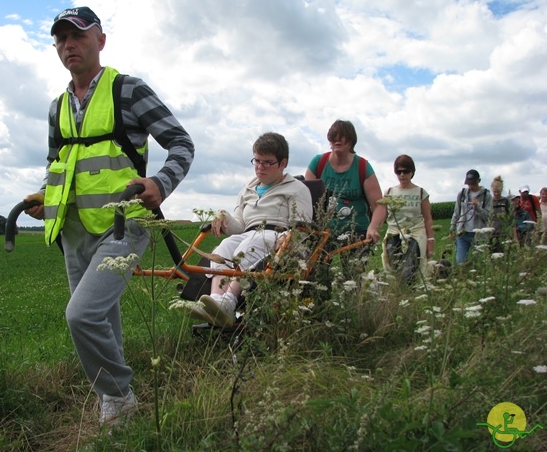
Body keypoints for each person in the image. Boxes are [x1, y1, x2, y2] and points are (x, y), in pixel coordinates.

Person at [22, 7, 194, 426]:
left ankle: (118, 394)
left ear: (100, 40)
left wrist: (160, 182)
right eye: (61, 39)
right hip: (74, 232)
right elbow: (56, 162)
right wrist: (46, 197)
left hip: (124, 225)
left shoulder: (128, 91)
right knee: (101, 317)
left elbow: (181, 143)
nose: (69, 45)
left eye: (78, 36)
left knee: (81, 315)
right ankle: (123, 415)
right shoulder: (56, 107)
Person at [186, 132, 313, 328]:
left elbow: (303, 226)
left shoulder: (297, 189)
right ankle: (215, 302)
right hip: (249, 232)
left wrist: (290, 237)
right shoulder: (247, 190)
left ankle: (229, 300)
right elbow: (240, 226)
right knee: (224, 247)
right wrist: (224, 217)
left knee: (250, 244)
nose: (260, 167)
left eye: (267, 162)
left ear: (283, 163)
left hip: (280, 235)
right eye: (257, 161)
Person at [304, 119, 386, 278]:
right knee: (317, 279)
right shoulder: (318, 163)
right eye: (333, 136)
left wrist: (373, 228)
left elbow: (379, 205)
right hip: (322, 233)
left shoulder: (362, 166)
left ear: (351, 141)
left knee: (354, 280)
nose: (337, 140)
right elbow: (307, 200)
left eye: (342, 137)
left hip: (355, 232)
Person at [381, 155, 434, 284]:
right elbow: (382, 215)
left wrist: (431, 240)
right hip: (393, 233)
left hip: (415, 233)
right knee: (393, 268)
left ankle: (410, 293)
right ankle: (397, 296)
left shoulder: (421, 192)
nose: (402, 175)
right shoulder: (389, 192)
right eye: (399, 171)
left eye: (406, 171)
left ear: (412, 172)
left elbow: (428, 219)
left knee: (409, 269)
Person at [449, 169, 492, 264]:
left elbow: (488, 216)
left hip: (479, 236)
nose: (470, 186)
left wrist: (477, 207)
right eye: (469, 184)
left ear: (479, 181)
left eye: (473, 183)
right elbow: (456, 212)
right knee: (460, 261)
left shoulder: (486, 196)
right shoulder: (462, 194)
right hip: (463, 233)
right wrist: (452, 228)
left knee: (479, 263)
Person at [489, 176, 511, 253]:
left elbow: (510, 217)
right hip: (491, 233)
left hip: (503, 232)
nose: (496, 193)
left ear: (501, 190)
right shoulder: (489, 202)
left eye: (498, 191)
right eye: (494, 192)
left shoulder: (505, 201)